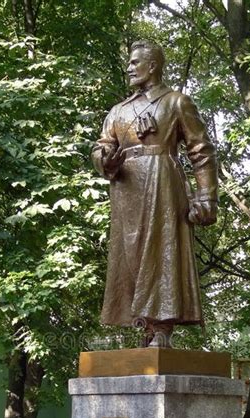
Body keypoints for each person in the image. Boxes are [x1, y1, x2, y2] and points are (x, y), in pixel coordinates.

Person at [92, 40, 218, 347]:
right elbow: (102, 146)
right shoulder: (118, 111)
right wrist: (103, 159)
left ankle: (162, 327)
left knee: (162, 252)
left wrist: (206, 196)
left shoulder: (176, 102)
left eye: (136, 62)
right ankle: (143, 325)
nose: (130, 67)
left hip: (162, 183)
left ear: (153, 66)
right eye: (129, 62)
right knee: (129, 255)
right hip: (126, 189)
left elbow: (201, 151)